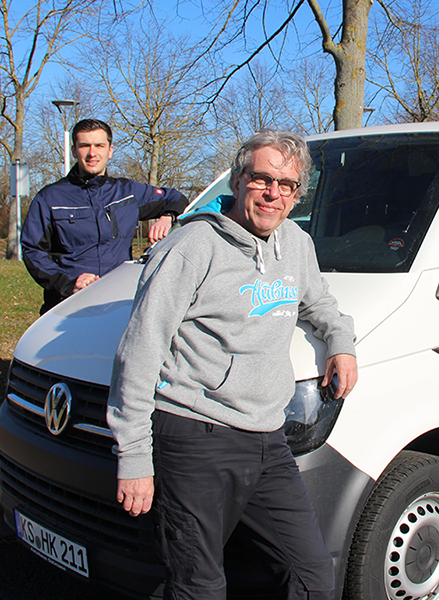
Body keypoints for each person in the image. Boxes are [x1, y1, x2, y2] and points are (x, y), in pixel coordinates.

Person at [106, 130, 358, 599]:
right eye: (262, 179)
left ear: (298, 193)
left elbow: (318, 301)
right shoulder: (192, 247)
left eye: (287, 185)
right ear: (238, 181)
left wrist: (341, 340)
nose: (273, 193)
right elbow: (139, 351)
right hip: (194, 435)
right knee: (198, 586)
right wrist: (135, 456)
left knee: (311, 575)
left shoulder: (296, 244)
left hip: (268, 435)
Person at [21, 119, 189, 314]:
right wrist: (68, 284)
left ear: (110, 150)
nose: (92, 153)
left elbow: (177, 198)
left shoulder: (127, 192)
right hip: (68, 305)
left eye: (99, 145)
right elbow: (33, 250)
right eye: (85, 146)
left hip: (118, 304)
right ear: (74, 151)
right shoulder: (49, 197)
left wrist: (167, 217)